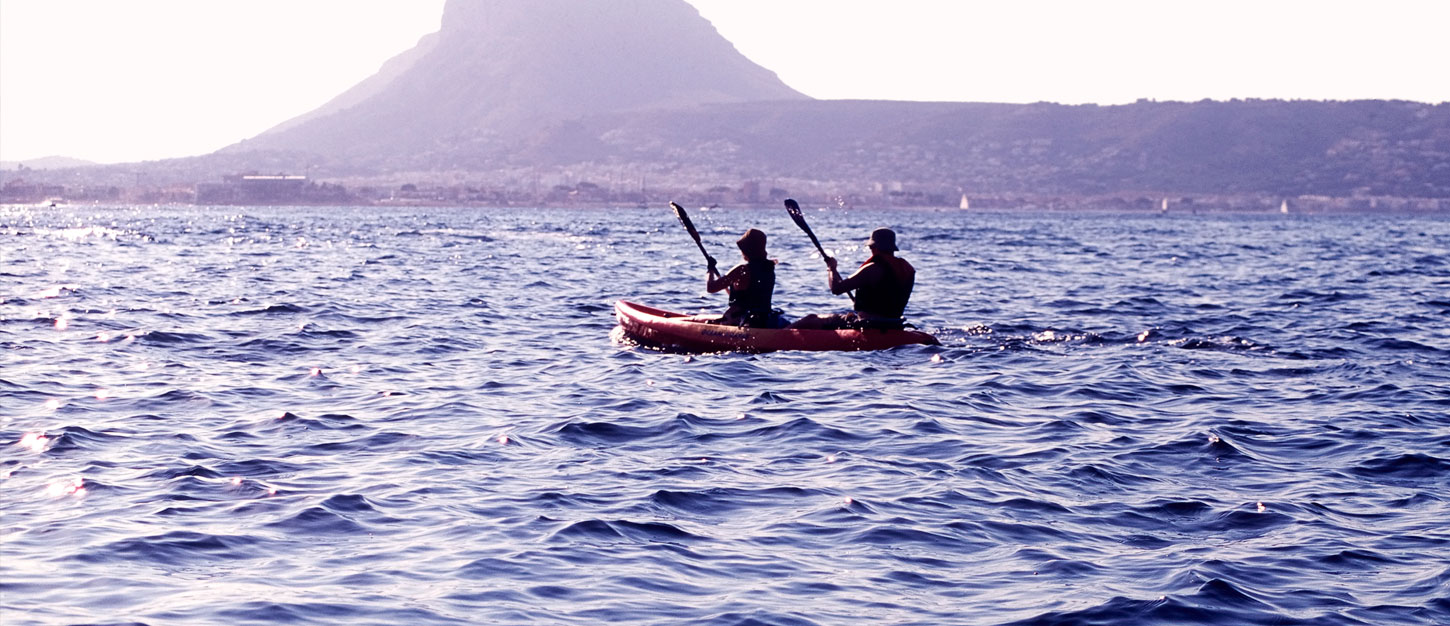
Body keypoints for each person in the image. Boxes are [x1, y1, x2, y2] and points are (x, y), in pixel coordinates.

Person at [789, 227, 915, 330]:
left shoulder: (872, 268)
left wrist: (831, 269)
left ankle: (778, 334)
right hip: (894, 324)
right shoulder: (908, 269)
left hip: (868, 325)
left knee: (810, 319)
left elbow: (836, 289)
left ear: (874, 247)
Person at [706, 228, 785, 328]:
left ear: (747, 250)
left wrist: (710, 270)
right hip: (765, 319)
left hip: (745, 321)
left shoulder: (742, 269)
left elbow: (711, 288)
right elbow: (751, 297)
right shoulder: (769, 267)